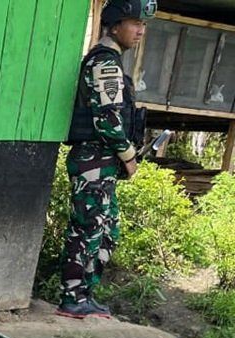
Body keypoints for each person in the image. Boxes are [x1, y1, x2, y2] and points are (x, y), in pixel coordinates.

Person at [57, 0, 155, 319]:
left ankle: (84, 294)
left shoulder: (112, 61)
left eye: (142, 24)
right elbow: (107, 121)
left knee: (106, 229)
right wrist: (129, 158)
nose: (140, 30)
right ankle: (72, 297)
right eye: (133, 23)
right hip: (94, 158)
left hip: (101, 160)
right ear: (114, 26)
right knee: (87, 228)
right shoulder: (105, 63)